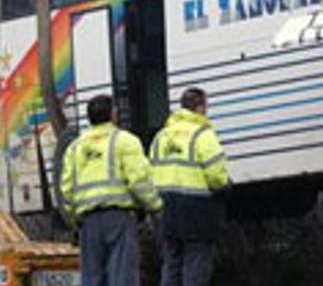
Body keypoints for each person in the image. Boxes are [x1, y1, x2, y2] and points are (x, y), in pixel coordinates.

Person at [61, 94, 163, 286]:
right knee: (122, 276)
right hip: (119, 218)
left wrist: (75, 218)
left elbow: (66, 189)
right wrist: (155, 206)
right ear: (113, 114)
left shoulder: (75, 148)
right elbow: (139, 181)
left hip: (88, 222)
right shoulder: (126, 141)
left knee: (92, 278)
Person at [151, 87, 230, 286]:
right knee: (196, 264)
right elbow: (217, 177)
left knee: (171, 263)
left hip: (165, 209)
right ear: (200, 108)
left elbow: (149, 171)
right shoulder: (203, 135)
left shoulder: (161, 136)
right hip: (196, 210)